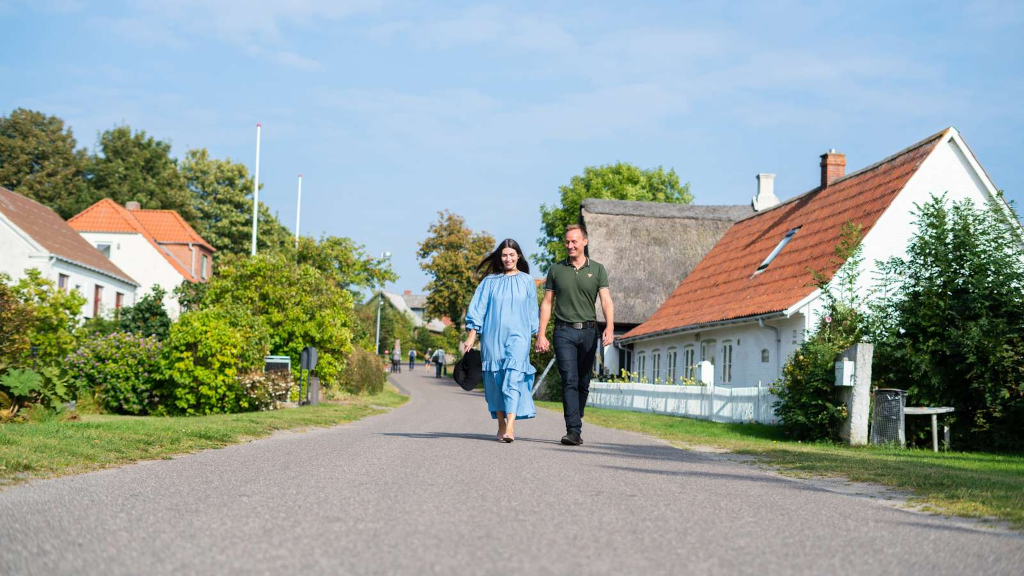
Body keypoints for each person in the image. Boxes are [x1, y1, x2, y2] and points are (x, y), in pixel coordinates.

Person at [535, 224, 614, 446]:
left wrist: (610, 326)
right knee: (568, 379)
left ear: (584, 242)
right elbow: (547, 303)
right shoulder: (556, 270)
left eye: (574, 241)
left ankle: (575, 419)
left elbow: (606, 300)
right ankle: (573, 430)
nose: (570, 245)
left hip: (589, 331)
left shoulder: (598, 269)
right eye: (567, 242)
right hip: (563, 331)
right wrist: (541, 334)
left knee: (583, 382)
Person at [462, 238, 539, 443]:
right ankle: (501, 424)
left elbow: (533, 312)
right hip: (492, 337)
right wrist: (472, 335)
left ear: (518, 256)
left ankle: (511, 427)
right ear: (500, 257)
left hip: (519, 337)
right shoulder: (489, 282)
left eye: (512, 255)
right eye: (504, 255)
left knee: (513, 377)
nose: (508, 258)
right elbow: (478, 309)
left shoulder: (527, 281)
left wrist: (539, 335)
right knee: (496, 380)